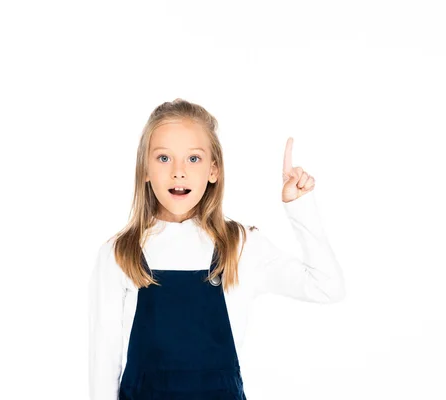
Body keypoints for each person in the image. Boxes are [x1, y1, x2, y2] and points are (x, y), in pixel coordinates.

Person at [88, 98, 346, 400]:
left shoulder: (240, 246)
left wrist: (300, 206)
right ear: (144, 168)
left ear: (214, 170)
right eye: (163, 158)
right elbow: (102, 365)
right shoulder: (119, 254)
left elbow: (327, 287)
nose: (179, 172)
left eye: (193, 159)